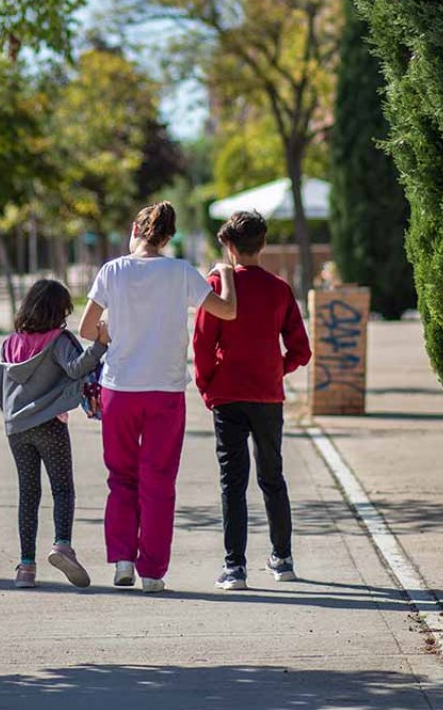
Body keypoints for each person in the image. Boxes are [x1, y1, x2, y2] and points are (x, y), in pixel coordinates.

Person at [80, 202, 237, 593]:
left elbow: (86, 328)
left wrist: (111, 335)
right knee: (159, 481)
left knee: (121, 478)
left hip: (119, 387)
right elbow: (228, 312)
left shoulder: (111, 271)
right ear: (168, 237)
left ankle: (121, 560)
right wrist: (226, 274)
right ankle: (152, 571)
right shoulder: (181, 272)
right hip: (165, 391)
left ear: (136, 229)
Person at [194, 211, 312, 590]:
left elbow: (201, 343)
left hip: (227, 395)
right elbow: (301, 349)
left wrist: (207, 385)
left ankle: (234, 567)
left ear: (228, 246)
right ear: (262, 244)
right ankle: (283, 559)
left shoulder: (217, 285)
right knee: (272, 477)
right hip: (267, 395)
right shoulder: (279, 289)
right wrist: (278, 367)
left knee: (233, 482)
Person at [0, 279, 109, 589]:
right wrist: (100, 345)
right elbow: (75, 368)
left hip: (16, 429)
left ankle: (26, 568)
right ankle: (62, 545)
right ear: (59, 310)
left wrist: (13, 416)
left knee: (28, 494)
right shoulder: (59, 340)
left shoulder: (10, 343)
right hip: (50, 425)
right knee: (62, 489)